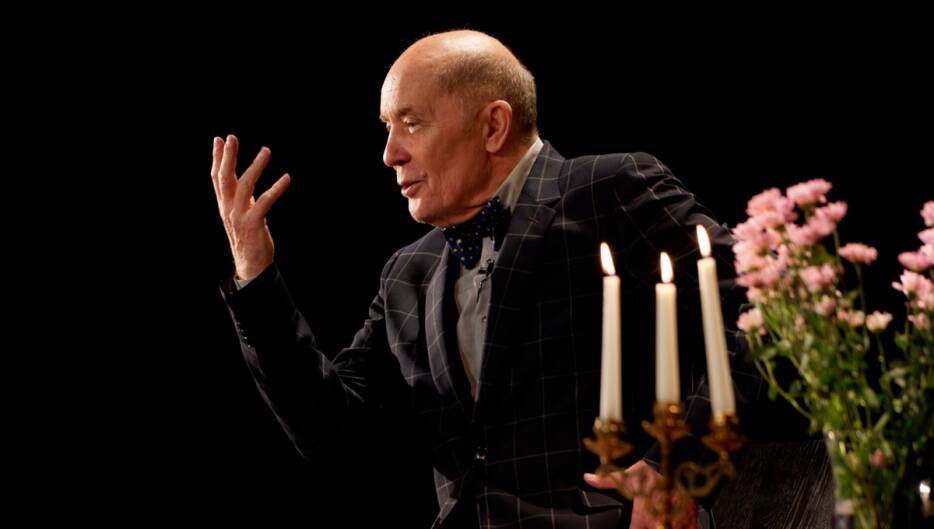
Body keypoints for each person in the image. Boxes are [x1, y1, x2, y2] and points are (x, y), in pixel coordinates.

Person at [211, 30, 759, 529]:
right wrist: (256, 278)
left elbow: (761, 310)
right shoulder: (406, 273)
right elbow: (334, 435)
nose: (389, 154)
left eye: (411, 123)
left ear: (493, 126)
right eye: (386, 128)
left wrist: (675, 468)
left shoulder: (608, 190)